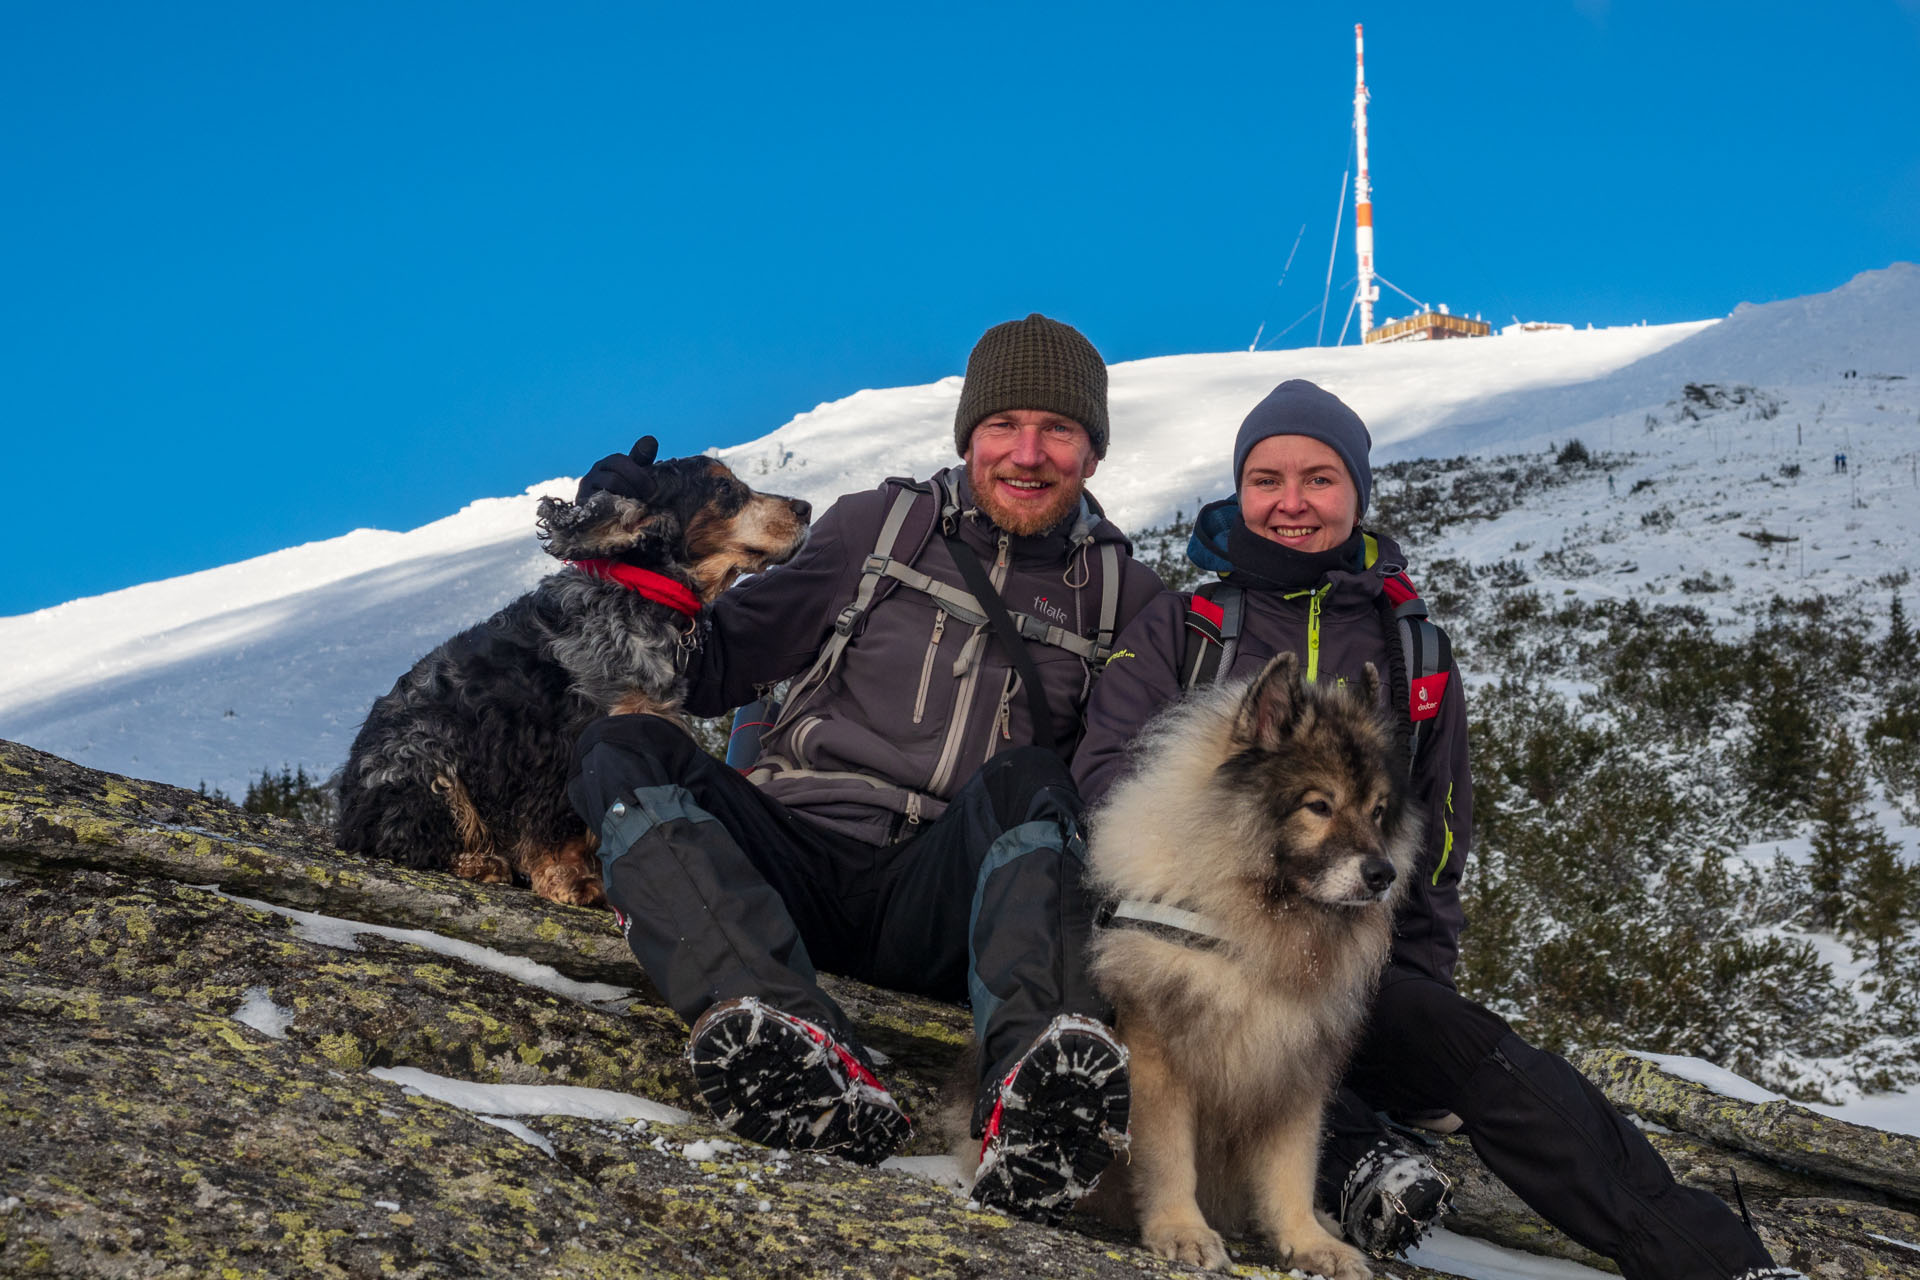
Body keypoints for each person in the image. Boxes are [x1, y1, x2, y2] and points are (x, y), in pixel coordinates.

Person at [1073, 380, 1798, 1279]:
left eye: (1319, 478)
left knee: (1479, 1054)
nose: (1290, 502)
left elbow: (1440, 842)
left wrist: (1409, 987)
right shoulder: (1184, 623)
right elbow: (1106, 777)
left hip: (1347, 959)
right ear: (1238, 491)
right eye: (1266, 479)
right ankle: (1350, 1167)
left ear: (1357, 493)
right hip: (1190, 939)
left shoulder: (1412, 652)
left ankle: (1718, 1261)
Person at [565, 314, 1165, 1221]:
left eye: (1059, 430)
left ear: (1093, 449)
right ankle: (784, 1031)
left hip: (948, 898)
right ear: (970, 435)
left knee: (1035, 781)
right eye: (1005, 425)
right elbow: (709, 665)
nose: (1028, 453)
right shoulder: (876, 530)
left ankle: (1032, 1104)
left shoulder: (1128, 600)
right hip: (795, 853)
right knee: (621, 749)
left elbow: (1120, 788)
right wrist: (629, 546)